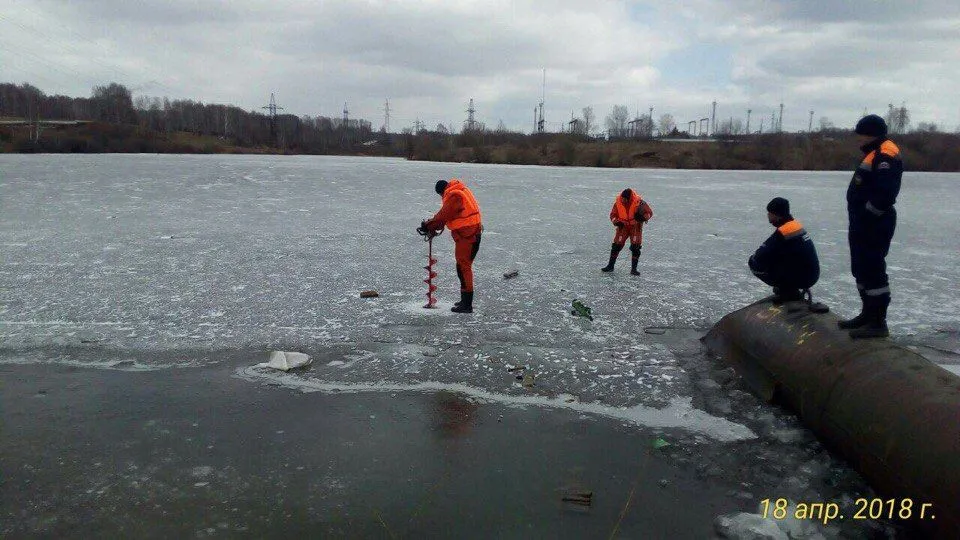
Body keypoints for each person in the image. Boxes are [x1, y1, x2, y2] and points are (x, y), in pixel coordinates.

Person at [839, 115, 902, 338]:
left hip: (874, 223)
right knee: (861, 268)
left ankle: (877, 322)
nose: (858, 139)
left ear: (870, 134)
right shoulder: (874, 153)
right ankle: (867, 314)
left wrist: (868, 214)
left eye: (861, 135)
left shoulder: (886, 154)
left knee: (873, 269)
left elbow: (885, 194)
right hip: (862, 222)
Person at [419, 178, 482, 313]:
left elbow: (444, 215)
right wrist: (433, 223)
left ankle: (466, 305)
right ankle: (464, 300)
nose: (442, 197)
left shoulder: (454, 196)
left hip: (468, 236)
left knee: (463, 268)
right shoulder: (460, 190)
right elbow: (448, 215)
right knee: (463, 267)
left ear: (442, 191)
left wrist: (429, 225)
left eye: (441, 195)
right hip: (469, 235)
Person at [748, 197, 820, 304]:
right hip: (811, 274)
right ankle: (789, 287)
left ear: (776, 214)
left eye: (770, 213)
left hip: (803, 277)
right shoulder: (795, 225)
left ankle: (788, 291)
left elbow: (760, 256)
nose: (768, 215)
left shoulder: (784, 232)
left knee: (755, 264)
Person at [601, 188, 653, 275]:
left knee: (636, 247)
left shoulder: (639, 202)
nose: (623, 200)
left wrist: (643, 218)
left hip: (635, 227)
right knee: (616, 245)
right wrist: (616, 222)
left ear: (629, 198)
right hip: (623, 226)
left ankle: (634, 270)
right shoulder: (618, 203)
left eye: (625, 199)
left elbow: (648, 213)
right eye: (622, 198)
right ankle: (610, 266)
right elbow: (613, 215)